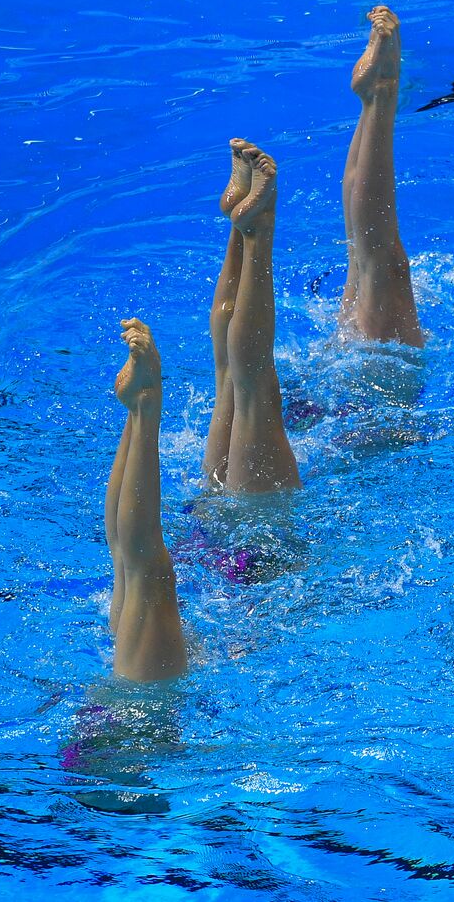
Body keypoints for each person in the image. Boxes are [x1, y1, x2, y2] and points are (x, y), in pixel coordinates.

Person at [204, 141, 302, 493]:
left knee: (250, 388)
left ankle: (255, 230)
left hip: (251, 531)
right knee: (231, 375)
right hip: (205, 510)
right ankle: (246, 227)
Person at [105, 319, 188, 682]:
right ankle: (139, 409)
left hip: (137, 721)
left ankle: (143, 407)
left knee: (142, 572)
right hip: (122, 715)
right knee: (127, 563)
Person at [339, 5, 426, 347]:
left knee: (379, 265)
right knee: (362, 261)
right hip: (346, 380)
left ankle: (381, 93)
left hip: (370, 382)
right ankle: (375, 97)